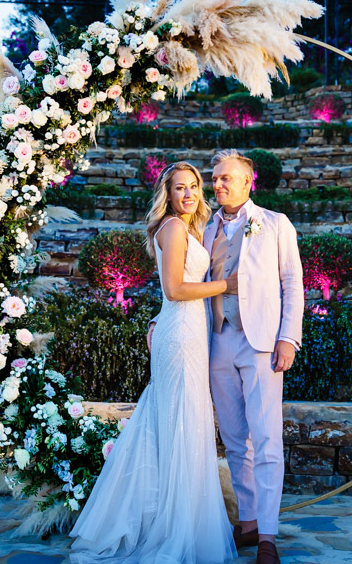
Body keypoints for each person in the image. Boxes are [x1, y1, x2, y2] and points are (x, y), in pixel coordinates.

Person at [69, 161, 238, 564]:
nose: (189, 194)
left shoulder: (188, 227)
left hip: (184, 331)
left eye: (194, 186)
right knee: (179, 421)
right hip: (180, 338)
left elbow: (170, 295)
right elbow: (176, 289)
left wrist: (156, 318)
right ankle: (172, 526)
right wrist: (227, 285)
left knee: (178, 421)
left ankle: (177, 518)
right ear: (167, 194)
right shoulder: (174, 227)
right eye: (180, 188)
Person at [149, 150, 304, 564]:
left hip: (261, 344)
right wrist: (157, 320)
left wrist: (288, 338)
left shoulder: (275, 224)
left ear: (248, 182)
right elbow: (183, 281)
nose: (217, 186)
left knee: (267, 437)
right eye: (213, 179)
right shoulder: (204, 227)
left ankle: (268, 535)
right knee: (236, 440)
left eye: (224, 179)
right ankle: (250, 521)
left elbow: (293, 283)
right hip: (217, 342)